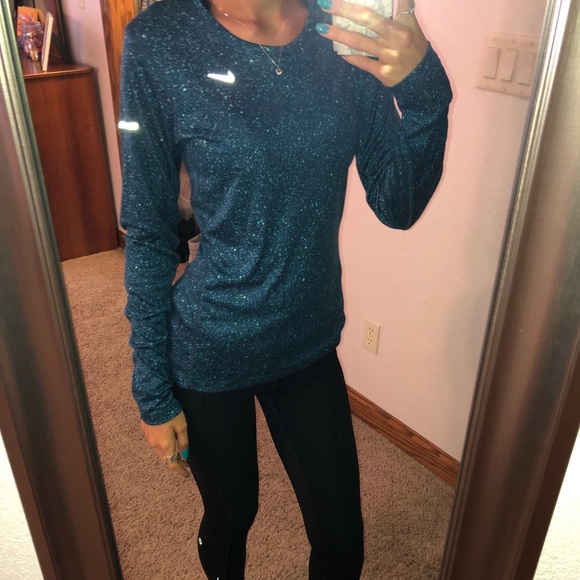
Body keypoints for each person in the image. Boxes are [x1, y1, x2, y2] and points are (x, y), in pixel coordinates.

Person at [119, 0, 452, 578]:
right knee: (233, 516)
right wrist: (152, 390)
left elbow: (397, 204)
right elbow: (150, 230)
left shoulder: (341, 35)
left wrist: (423, 87)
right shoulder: (160, 38)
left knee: (342, 541)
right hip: (210, 346)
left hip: (307, 340)